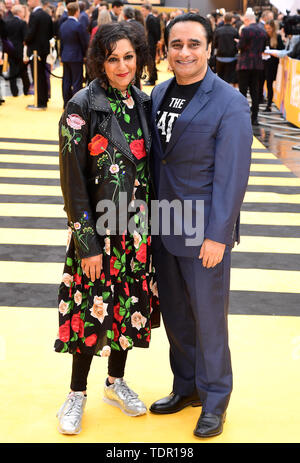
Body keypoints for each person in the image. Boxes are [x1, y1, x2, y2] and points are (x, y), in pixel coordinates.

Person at [149, 13, 252, 438]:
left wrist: (218, 235)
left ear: (209, 48)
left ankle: (214, 400)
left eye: (193, 44)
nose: (184, 52)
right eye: (176, 45)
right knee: (176, 316)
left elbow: (233, 176)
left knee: (209, 320)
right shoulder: (158, 93)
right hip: (162, 225)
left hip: (203, 231)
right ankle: (186, 386)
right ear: (166, 49)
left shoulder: (229, 102)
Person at [54, 21, 158, 435]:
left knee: (128, 309)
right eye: (112, 58)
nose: (121, 66)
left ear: (140, 57)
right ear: (99, 59)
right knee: (90, 309)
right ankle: (77, 393)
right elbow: (72, 180)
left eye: (128, 57)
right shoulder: (81, 106)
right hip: (97, 231)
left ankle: (115, 382)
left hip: (137, 229)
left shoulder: (143, 103)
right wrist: (87, 242)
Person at [236, 12, 267, 125]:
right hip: (258, 65)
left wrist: (238, 43)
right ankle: (254, 118)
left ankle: (241, 116)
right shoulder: (263, 31)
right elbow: (263, 48)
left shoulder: (246, 30)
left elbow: (241, 46)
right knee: (255, 92)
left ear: (247, 20)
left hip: (244, 64)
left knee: (242, 92)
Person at [25, 0, 53, 109]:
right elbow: (51, 33)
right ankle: (43, 99)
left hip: (35, 51)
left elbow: (31, 32)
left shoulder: (34, 15)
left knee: (37, 77)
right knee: (42, 76)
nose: (28, 2)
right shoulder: (47, 15)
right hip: (44, 50)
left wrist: (26, 40)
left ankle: (39, 101)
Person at [59, 2, 88, 108]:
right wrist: (85, 54)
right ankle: (76, 105)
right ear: (77, 12)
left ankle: (65, 103)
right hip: (76, 56)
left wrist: (61, 55)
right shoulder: (78, 25)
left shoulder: (63, 25)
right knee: (77, 81)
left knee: (66, 80)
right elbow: (83, 42)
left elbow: (61, 42)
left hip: (65, 55)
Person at [5, 4, 30, 97]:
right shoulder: (22, 23)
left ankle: (14, 92)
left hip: (10, 50)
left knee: (12, 71)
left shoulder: (7, 22)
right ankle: (26, 91)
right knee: (23, 72)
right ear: (19, 12)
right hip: (20, 51)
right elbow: (25, 38)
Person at [262, 20, 284, 112]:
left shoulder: (277, 37)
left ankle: (269, 105)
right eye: (266, 29)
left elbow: (282, 51)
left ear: (273, 28)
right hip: (263, 63)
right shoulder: (264, 37)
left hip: (273, 64)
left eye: (269, 29)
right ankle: (262, 99)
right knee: (261, 83)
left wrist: (273, 53)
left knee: (270, 84)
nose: (268, 30)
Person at [213, 12, 239, 86]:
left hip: (220, 57)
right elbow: (237, 44)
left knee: (220, 79)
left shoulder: (218, 30)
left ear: (224, 19)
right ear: (232, 20)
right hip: (232, 58)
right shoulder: (235, 31)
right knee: (229, 79)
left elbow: (215, 45)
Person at [141, 3, 160, 86]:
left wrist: (155, 42)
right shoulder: (149, 18)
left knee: (151, 62)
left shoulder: (151, 18)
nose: (142, 12)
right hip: (150, 43)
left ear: (148, 10)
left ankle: (152, 79)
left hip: (151, 44)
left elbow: (156, 32)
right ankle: (152, 78)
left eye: (143, 10)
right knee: (150, 62)